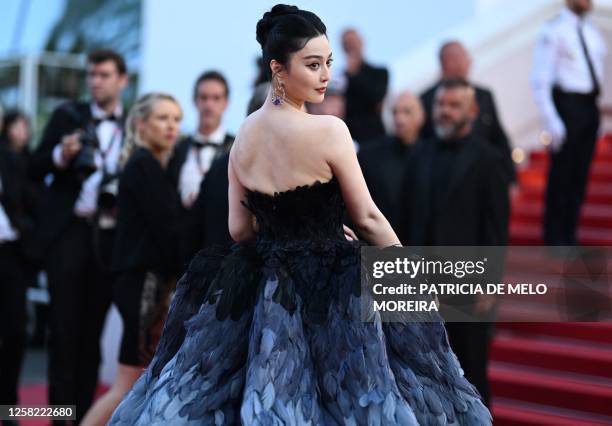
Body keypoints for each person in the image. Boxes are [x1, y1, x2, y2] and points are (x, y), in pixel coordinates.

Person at [110, 5, 491, 425]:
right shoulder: (330, 131)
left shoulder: (243, 139)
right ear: (278, 69)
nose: (325, 74)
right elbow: (366, 218)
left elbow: (239, 230)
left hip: (263, 288)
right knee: (354, 401)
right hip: (332, 290)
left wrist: (283, 228)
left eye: (328, 63)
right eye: (312, 65)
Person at [29, 48, 128, 423]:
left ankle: (85, 417)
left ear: (122, 81)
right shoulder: (66, 116)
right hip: (68, 235)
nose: (95, 81)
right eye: (92, 75)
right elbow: (35, 167)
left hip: (108, 239)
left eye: (103, 74)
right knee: (63, 335)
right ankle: (58, 417)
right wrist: (60, 154)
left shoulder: (134, 123)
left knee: (92, 339)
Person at [400, 79, 509, 407]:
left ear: (472, 112)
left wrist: (489, 283)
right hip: (421, 281)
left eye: (453, 106)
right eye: (440, 105)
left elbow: (496, 227)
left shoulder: (489, 159)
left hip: (467, 285)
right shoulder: (420, 154)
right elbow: (405, 218)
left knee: (472, 372)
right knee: (423, 373)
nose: (444, 112)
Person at [81, 93, 182, 425]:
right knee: (127, 384)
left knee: (132, 383)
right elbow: (166, 230)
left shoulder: (149, 164)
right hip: (142, 283)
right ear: (141, 124)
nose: (172, 127)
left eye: (177, 119)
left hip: (140, 281)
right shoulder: (144, 165)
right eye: (162, 118)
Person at [531, 0, 607, 246]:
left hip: (588, 106)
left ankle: (570, 233)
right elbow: (540, 80)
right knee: (562, 174)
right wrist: (552, 119)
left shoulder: (592, 33)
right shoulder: (553, 31)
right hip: (566, 106)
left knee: (579, 175)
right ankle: (554, 236)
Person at [420, 41, 516, 184]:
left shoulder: (484, 95)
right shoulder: (425, 100)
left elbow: (498, 137)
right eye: (462, 57)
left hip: (483, 175)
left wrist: (510, 177)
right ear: (446, 62)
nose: (469, 61)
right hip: (443, 179)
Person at [168, 70, 235, 212]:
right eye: (203, 98)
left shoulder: (237, 147)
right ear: (194, 100)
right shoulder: (177, 148)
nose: (209, 105)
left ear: (226, 103)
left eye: (216, 98)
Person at [358, 91, 424, 233]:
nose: (399, 118)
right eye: (395, 112)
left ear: (421, 117)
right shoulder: (370, 156)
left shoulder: (432, 156)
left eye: (407, 112)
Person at [0, 141, 29, 411]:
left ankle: (7, 405)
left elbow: (30, 200)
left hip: (9, 254)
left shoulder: (12, 160)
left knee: (15, 332)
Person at [341, 28, 389, 143]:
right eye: (347, 44)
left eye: (354, 42)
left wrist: (354, 75)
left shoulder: (380, 73)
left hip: (375, 137)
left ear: (362, 42)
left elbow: (376, 97)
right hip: (350, 139)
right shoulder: (340, 80)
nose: (352, 47)